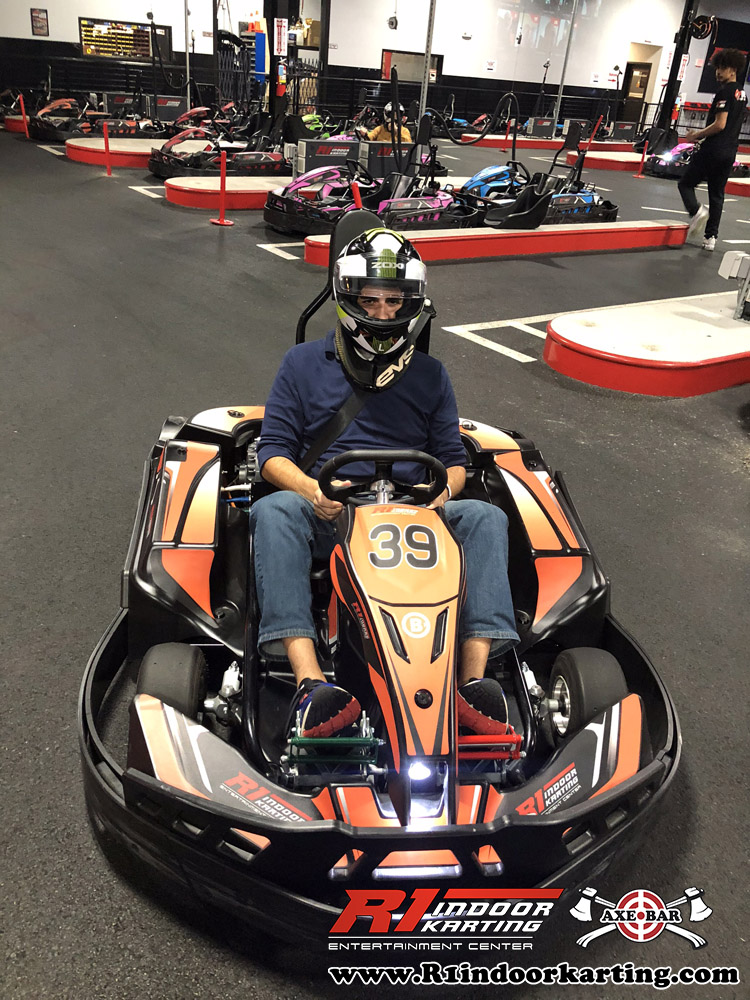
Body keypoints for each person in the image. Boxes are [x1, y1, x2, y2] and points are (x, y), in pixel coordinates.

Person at [250, 229, 519, 740]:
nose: (381, 312)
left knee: (486, 517)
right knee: (274, 511)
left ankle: (473, 685)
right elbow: (272, 454)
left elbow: (452, 461)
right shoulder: (302, 364)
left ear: (411, 304)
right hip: (333, 510)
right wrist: (311, 491)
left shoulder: (430, 375)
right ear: (347, 299)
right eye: (370, 300)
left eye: (394, 301)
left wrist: (441, 493)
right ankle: (311, 684)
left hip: (414, 513)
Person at [679, 48, 748, 251]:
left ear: (733, 69)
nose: (718, 72)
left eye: (723, 68)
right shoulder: (742, 94)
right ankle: (711, 237)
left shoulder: (724, 92)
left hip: (713, 149)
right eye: (717, 68)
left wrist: (696, 135)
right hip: (730, 151)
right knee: (717, 193)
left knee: (685, 184)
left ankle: (696, 211)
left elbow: (720, 124)